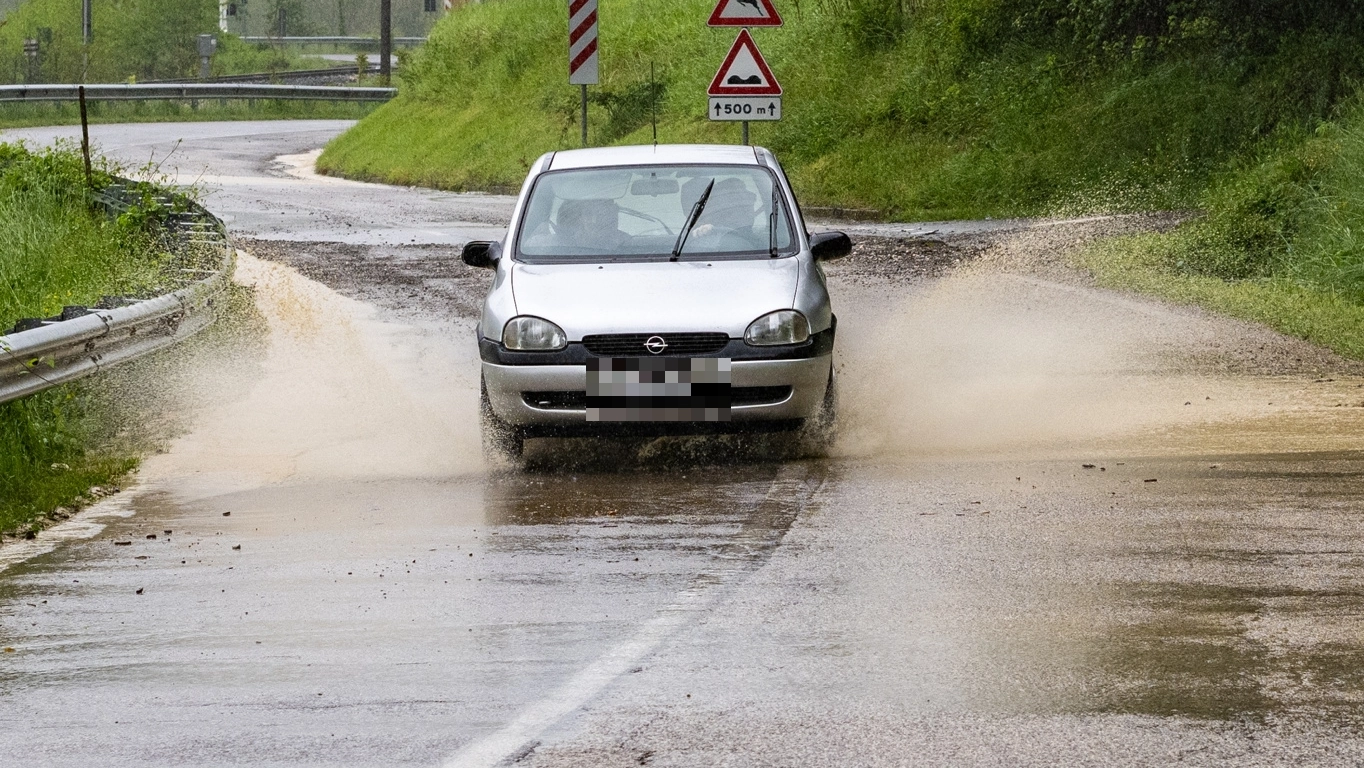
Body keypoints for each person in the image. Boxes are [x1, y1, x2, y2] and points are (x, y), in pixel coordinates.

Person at [555, 198, 628, 253]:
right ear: (581, 218)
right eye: (588, 214)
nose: (594, 221)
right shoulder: (562, 246)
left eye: (600, 214)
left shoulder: (628, 243)